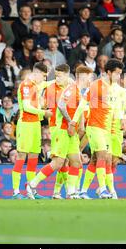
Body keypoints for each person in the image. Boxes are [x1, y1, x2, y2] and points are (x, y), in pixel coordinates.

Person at [27, 66, 94, 199]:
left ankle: (71, 192)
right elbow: (61, 106)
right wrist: (71, 122)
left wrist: (77, 124)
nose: (90, 80)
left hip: (70, 131)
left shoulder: (77, 90)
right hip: (61, 129)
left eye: (60, 76)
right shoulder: (71, 89)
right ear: (82, 76)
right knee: (58, 162)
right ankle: (32, 184)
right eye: (89, 77)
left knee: (76, 162)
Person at [78, 60, 125, 199]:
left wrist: (120, 121)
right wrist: (77, 122)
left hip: (106, 129)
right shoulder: (96, 85)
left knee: (96, 159)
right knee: (103, 156)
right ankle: (103, 189)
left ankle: (83, 191)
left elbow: (112, 110)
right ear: (108, 72)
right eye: (116, 73)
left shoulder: (113, 88)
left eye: (120, 74)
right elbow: (83, 104)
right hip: (94, 126)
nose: (118, 77)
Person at [12, 63, 52, 199]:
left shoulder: (36, 85)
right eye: (44, 76)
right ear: (37, 73)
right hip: (25, 124)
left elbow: (46, 84)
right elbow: (27, 107)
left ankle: (31, 190)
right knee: (21, 156)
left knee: (34, 157)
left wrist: (65, 79)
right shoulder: (26, 85)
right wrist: (44, 112)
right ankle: (16, 192)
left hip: (36, 124)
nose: (45, 79)